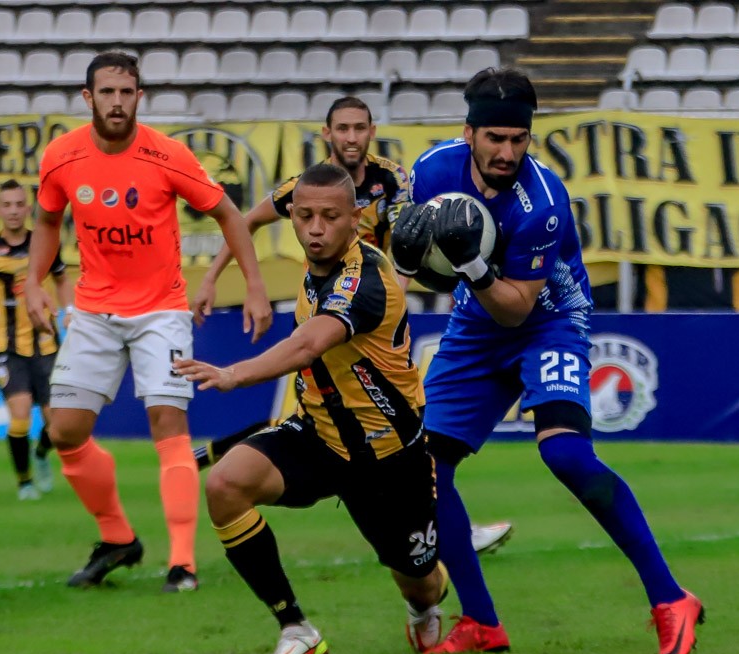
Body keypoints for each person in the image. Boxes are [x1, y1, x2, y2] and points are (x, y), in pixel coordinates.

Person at [391, 68, 705, 654]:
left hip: (548, 321)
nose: (507, 153)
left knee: (566, 455)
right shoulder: (432, 171)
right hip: (474, 324)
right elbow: (427, 263)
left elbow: (515, 307)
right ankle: (481, 622)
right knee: (423, 470)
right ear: (469, 134)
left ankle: (671, 599)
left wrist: (472, 266)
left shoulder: (544, 205)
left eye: (519, 139)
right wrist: (410, 266)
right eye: (495, 138)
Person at [189, 95, 514, 556]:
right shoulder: (306, 187)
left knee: (388, 423)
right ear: (327, 134)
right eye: (342, 128)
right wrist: (239, 284)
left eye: (359, 127)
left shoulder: (391, 180)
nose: (351, 137)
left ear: (371, 132)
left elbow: (408, 239)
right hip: (323, 310)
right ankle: (442, 531)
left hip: (370, 313)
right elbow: (246, 221)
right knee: (327, 419)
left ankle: (440, 528)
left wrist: (391, 294)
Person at [173, 164, 447, 654]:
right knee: (226, 484)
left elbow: (307, 345)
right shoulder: (316, 255)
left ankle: (424, 604)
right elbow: (240, 218)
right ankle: (296, 630)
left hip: (388, 455)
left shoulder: (366, 280)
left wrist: (233, 374)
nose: (315, 229)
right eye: (304, 216)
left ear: (355, 219)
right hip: (318, 436)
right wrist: (240, 280)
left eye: (329, 217)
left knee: (420, 582)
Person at [24, 51, 273, 593]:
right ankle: (117, 538)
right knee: (64, 431)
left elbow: (228, 214)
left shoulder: (167, 155)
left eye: (126, 92)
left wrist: (254, 286)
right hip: (93, 311)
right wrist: (32, 282)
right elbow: (46, 220)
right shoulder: (62, 156)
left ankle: (182, 563)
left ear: (140, 97)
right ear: (88, 98)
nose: (117, 102)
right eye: (106, 92)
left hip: (161, 311)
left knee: (167, 422)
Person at [0, 179, 74, 501]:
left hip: (45, 342)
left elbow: (62, 279)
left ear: (28, 209)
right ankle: (25, 483)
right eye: (7, 205)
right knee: (20, 414)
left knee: (58, 424)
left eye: (19, 204)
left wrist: (70, 311)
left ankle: (41, 454)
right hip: (5, 346)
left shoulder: (44, 244)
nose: (13, 211)